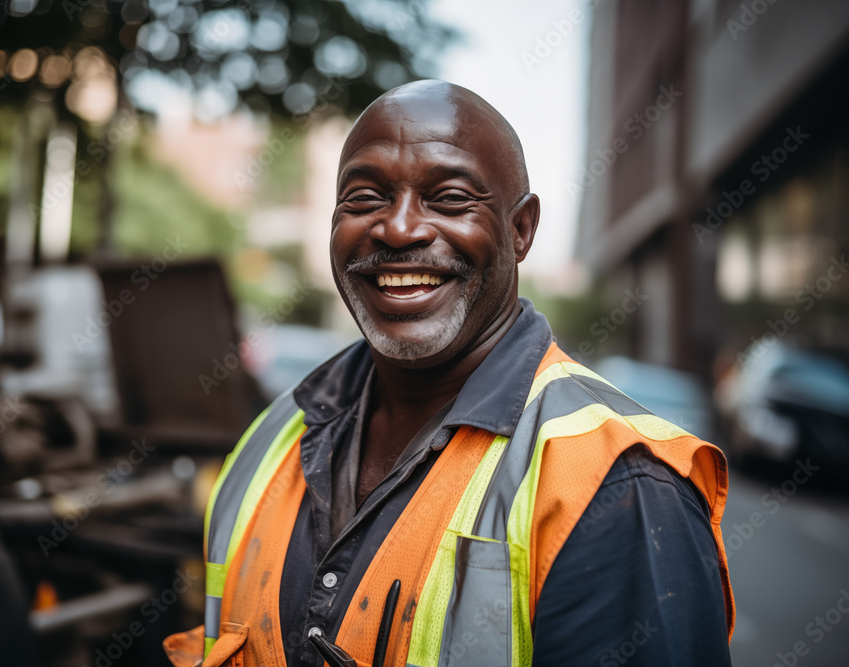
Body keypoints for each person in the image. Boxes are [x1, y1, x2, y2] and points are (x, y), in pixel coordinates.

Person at [164, 80, 734, 667]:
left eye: (450, 198)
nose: (399, 229)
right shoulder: (270, 437)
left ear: (521, 231)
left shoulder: (621, 488)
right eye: (364, 198)